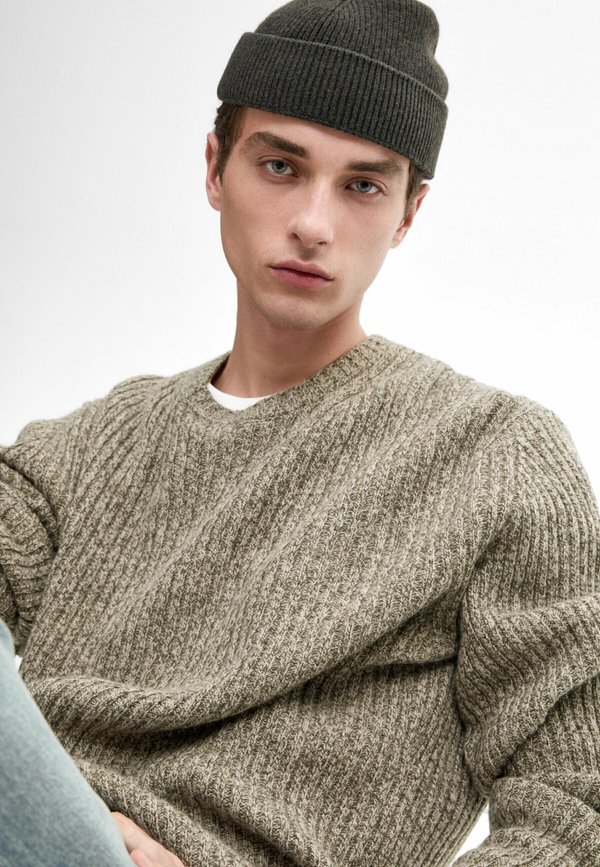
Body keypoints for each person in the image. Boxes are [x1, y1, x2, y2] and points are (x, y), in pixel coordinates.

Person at [1, 1, 599, 865]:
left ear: (408, 213)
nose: (314, 224)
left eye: (363, 186)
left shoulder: (494, 456)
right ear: (215, 168)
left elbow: (578, 803)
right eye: (281, 166)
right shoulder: (91, 448)